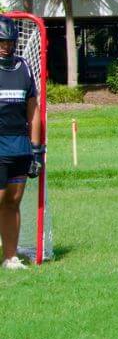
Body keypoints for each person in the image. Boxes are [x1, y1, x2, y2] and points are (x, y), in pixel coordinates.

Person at [0, 18, 42, 271]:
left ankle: (11, 257)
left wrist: (36, 149)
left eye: (9, 42)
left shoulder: (23, 68)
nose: (6, 46)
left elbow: (33, 111)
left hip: (20, 146)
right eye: (1, 42)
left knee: (13, 201)